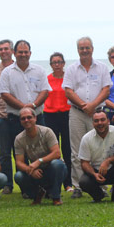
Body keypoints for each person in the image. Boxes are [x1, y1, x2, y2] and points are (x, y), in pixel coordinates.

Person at [0, 40, 51, 196]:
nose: (23, 54)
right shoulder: (7, 72)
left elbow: (45, 91)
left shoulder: (39, 70)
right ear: (14, 53)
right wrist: (23, 108)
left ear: (30, 53)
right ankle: (25, 188)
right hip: (16, 119)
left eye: (25, 52)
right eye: (20, 52)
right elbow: (4, 94)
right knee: (19, 153)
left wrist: (32, 106)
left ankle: (44, 184)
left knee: (41, 152)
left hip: (37, 117)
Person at [63, 37, 111, 198]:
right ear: (78, 50)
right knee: (76, 150)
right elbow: (68, 91)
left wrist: (92, 106)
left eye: (87, 48)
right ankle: (77, 186)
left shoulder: (102, 67)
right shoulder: (71, 69)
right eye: (81, 48)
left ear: (92, 48)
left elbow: (106, 89)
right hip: (77, 112)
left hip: (97, 113)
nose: (84, 50)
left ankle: (101, 185)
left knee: (98, 149)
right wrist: (85, 105)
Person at [13, 107, 67, 205]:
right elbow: (19, 162)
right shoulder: (19, 139)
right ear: (20, 121)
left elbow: (57, 153)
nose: (26, 120)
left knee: (57, 164)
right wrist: (30, 170)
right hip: (36, 172)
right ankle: (37, 195)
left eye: (29, 117)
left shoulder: (47, 132)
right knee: (19, 176)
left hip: (53, 169)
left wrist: (39, 161)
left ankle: (56, 197)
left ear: (35, 118)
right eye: (23, 118)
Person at [78, 109, 114, 203]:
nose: (100, 123)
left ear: (108, 121)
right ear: (93, 123)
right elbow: (84, 162)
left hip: (113, 168)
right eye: (96, 121)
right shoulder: (86, 138)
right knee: (83, 182)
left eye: (103, 120)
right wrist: (94, 174)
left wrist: (108, 161)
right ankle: (98, 196)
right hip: (96, 171)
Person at [43, 52, 73, 193]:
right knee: (54, 150)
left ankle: (68, 183)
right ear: (50, 65)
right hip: (50, 115)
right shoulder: (46, 79)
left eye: (59, 62)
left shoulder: (69, 78)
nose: (57, 65)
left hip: (66, 115)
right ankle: (54, 182)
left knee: (68, 149)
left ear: (63, 63)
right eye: (54, 62)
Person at [0, 39, 15, 194]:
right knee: (4, 153)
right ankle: (7, 184)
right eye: (0, 49)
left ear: (12, 51)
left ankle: (25, 181)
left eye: (6, 49)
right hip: (1, 116)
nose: (3, 51)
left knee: (21, 151)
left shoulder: (18, 68)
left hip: (19, 116)